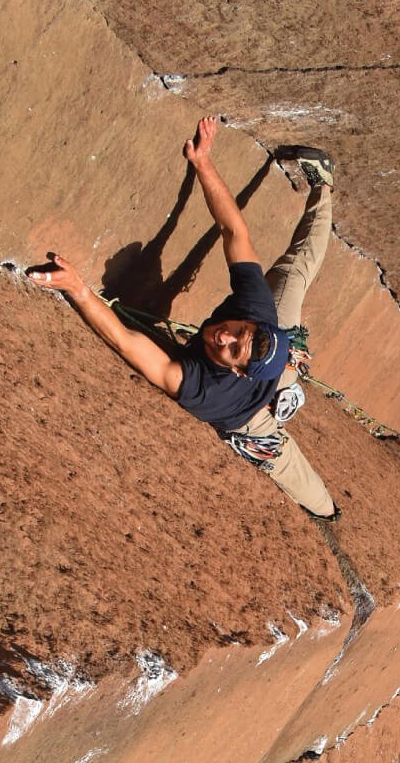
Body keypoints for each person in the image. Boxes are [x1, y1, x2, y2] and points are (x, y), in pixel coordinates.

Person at [27, 115, 338, 520]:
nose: (223, 336)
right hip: (280, 354)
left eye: (232, 349)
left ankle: (328, 510)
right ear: (253, 323)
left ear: (240, 371)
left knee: (291, 471)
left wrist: (78, 289)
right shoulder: (258, 310)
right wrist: (204, 162)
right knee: (297, 268)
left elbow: (127, 342)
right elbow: (232, 231)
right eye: (238, 332)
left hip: (248, 416)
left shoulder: (207, 391)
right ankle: (325, 185)